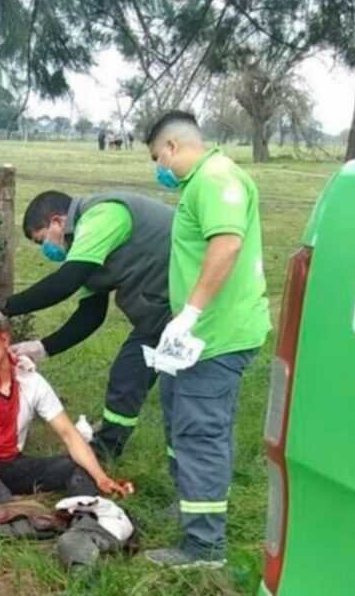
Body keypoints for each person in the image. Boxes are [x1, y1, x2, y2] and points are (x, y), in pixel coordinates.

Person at [141, 110, 271, 568]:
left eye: (157, 158)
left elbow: (227, 243)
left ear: (172, 147)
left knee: (200, 432)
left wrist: (192, 311)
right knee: (181, 418)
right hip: (197, 337)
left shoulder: (215, 179)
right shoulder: (200, 183)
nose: (159, 168)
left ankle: (204, 546)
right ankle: (191, 504)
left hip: (217, 335)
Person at [0, 189, 174, 460]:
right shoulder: (88, 247)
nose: (46, 250)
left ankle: (187, 464)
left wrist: (1, 308)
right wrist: (43, 348)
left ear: (58, 222)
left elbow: (66, 282)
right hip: (163, 312)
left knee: (183, 394)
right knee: (127, 376)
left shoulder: (104, 215)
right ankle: (104, 451)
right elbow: (91, 314)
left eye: (42, 240)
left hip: (197, 303)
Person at [0, 320, 133, 506]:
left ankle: (88, 514)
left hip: (7, 466)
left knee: (73, 465)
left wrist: (100, 477)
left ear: (4, 339)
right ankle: (11, 509)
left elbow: (69, 434)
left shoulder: (30, 381)